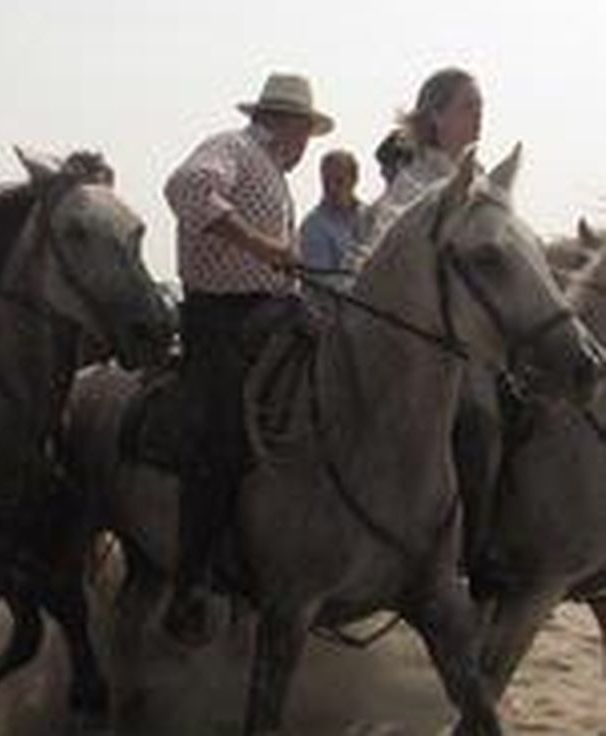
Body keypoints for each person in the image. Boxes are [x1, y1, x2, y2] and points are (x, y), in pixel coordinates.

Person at [162, 72, 333, 645]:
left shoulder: (276, 175)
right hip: (222, 318)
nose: (308, 142)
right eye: (306, 129)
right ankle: (192, 584)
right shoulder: (231, 148)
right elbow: (185, 188)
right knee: (223, 436)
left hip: (276, 313)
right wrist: (261, 245)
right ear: (285, 123)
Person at [356, 68, 481, 258]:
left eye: (480, 106)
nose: (478, 114)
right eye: (468, 107)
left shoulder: (480, 179)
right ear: (436, 116)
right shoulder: (413, 188)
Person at [299, 149, 363, 290]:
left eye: (339, 181)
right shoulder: (313, 226)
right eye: (326, 182)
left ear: (354, 180)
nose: (332, 188)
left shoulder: (372, 218)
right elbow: (321, 286)